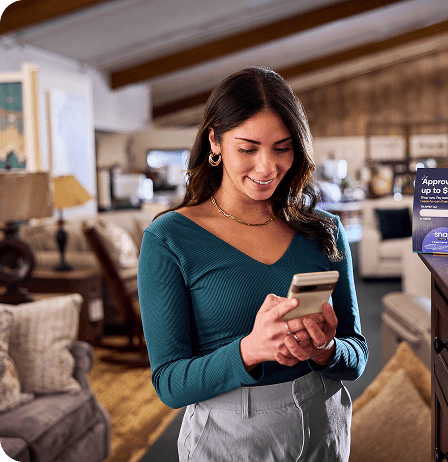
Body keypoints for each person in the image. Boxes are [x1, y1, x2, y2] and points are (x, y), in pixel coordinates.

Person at [138, 66, 368, 462]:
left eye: (282, 148)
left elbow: (358, 355)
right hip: (230, 436)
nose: (267, 168)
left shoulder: (324, 230)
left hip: (324, 421)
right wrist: (249, 350)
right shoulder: (169, 238)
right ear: (215, 141)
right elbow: (170, 383)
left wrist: (325, 350)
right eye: (248, 149)